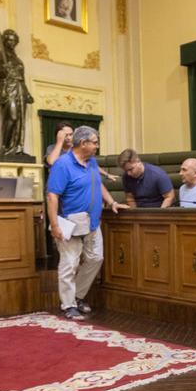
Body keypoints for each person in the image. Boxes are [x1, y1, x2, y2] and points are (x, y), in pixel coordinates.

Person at [47, 126, 127, 320]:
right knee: (69, 264)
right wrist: (55, 226)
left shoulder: (91, 162)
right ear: (83, 144)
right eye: (95, 142)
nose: (97, 147)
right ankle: (68, 305)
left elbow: (98, 185)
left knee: (95, 258)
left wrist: (112, 202)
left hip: (92, 222)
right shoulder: (62, 164)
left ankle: (77, 295)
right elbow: (52, 196)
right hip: (69, 223)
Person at [0, 29, 34, 158]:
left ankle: (18, 148)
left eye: (14, 40)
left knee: (20, 120)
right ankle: (5, 147)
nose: (12, 42)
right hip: (8, 89)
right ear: (4, 41)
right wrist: (3, 71)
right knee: (12, 117)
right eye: (9, 40)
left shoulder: (19, 61)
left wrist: (27, 93)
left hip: (20, 88)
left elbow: (23, 78)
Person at [46, 123, 115, 181]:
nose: (69, 138)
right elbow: (52, 162)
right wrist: (59, 142)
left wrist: (107, 175)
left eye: (71, 134)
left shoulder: (77, 149)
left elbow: (92, 164)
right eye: (65, 135)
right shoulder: (52, 148)